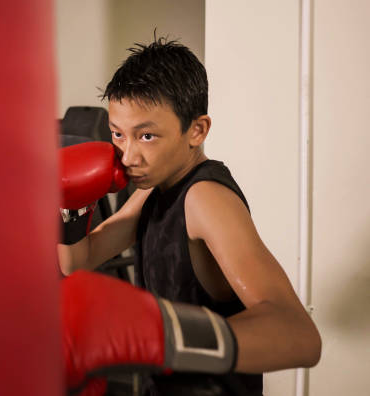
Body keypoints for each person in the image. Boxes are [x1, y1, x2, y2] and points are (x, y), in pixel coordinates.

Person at [57, 38, 321, 395]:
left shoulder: (205, 198)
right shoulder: (153, 189)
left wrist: (161, 334)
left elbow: (298, 334)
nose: (128, 155)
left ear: (196, 130)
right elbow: (80, 260)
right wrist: (71, 207)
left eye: (146, 135)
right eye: (118, 134)